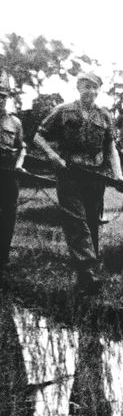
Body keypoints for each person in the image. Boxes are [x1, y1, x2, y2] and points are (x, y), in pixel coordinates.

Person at [34, 72, 123, 296]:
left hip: (96, 176)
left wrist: (118, 175)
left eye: (94, 88)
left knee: (92, 224)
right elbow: (38, 137)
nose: (90, 92)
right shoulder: (63, 111)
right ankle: (89, 272)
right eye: (86, 87)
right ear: (78, 88)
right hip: (70, 174)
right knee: (77, 222)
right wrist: (53, 156)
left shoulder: (104, 115)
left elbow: (110, 148)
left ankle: (85, 277)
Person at [0, 85, 26, 285]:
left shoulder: (14, 122)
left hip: (9, 173)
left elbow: (21, 148)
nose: (0, 100)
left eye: (2, 97)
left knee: (9, 215)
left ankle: (4, 258)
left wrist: (18, 165)